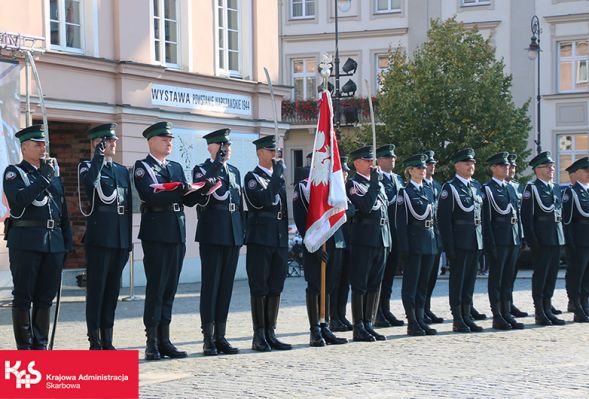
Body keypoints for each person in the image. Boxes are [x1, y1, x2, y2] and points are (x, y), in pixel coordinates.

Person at [133, 121, 200, 360]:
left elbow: (187, 200)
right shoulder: (143, 167)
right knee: (157, 287)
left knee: (170, 288)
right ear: (151, 141)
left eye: (170, 139)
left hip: (176, 232)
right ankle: (151, 342)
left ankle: (165, 339)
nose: (169, 142)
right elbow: (150, 197)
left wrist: (202, 190)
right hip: (157, 233)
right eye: (164, 139)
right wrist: (179, 190)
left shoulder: (175, 166)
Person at [4, 124, 72, 350]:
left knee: (45, 297)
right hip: (25, 240)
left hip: (53, 242)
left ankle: (40, 346)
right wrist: (43, 179)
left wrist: (67, 241)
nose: (42, 148)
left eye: (43, 144)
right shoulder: (14, 172)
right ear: (24, 148)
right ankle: (24, 349)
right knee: (24, 295)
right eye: (37, 144)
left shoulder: (51, 172)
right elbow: (18, 200)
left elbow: (62, 209)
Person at [79, 123, 132, 350]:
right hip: (100, 237)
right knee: (97, 289)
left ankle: (108, 338)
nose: (114, 143)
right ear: (96, 143)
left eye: (114, 139)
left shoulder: (121, 170)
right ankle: (95, 340)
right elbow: (90, 183)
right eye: (108, 140)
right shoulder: (87, 166)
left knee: (112, 291)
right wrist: (98, 158)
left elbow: (128, 207)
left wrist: (128, 239)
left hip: (120, 238)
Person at [192, 128, 243, 355]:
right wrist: (216, 164)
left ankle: (221, 335)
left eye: (229, 146)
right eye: (223, 146)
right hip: (212, 232)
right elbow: (200, 192)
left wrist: (242, 233)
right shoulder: (202, 169)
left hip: (232, 233)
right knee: (211, 285)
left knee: (226, 287)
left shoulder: (234, 171)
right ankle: (208, 337)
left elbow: (239, 205)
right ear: (212, 147)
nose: (227, 150)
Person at [243, 135, 292, 352]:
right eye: (270, 151)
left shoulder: (277, 179)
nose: (274, 155)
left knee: (275, 285)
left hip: (279, 237)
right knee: (260, 286)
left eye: (276, 151)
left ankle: (271, 331)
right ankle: (259, 334)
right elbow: (260, 201)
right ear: (260, 152)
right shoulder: (252, 177)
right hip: (260, 238)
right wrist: (277, 177)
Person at [292, 169, 347, 347]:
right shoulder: (304, 186)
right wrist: (313, 245)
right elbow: (301, 219)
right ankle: (315, 330)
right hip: (315, 241)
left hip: (334, 240)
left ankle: (326, 326)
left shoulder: (335, 185)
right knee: (315, 285)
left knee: (329, 286)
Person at [346, 146, 391, 342]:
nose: (372, 164)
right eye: (367, 160)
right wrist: (374, 183)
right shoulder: (353, 183)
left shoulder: (377, 183)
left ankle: (369, 323)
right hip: (363, 238)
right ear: (357, 163)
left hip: (381, 237)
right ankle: (359, 326)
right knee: (360, 284)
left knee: (375, 284)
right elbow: (364, 206)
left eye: (372, 160)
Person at [438, 148, 484, 333]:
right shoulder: (450, 188)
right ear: (457, 165)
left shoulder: (476, 186)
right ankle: (458, 318)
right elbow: (444, 221)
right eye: (466, 163)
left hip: (475, 240)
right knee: (458, 281)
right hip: (460, 242)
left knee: (470, 281)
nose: (470, 166)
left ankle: (467, 314)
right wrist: (449, 247)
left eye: (472, 163)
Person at [521, 151, 565, 326]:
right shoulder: (532, 189)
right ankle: (539, 311)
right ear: (537, 170)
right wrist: (533, 242)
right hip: (542, 239)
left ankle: (548, 307)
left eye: (552, 166)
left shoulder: (554, 188)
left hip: (555, 237)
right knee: (541, 275)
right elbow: (527, 218)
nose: (551, 169)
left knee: (552, 275)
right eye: (547, 166)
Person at [395, 154, 438, 336]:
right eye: (419, 168)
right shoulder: (404, 193)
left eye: (423, 168)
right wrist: (404, 247)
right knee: (411, 284)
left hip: (428, 241)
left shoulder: (428, 190)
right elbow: (401, 223)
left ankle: (421, 319)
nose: (423, 170)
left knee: (424, 284)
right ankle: (412, 321)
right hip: (413, 242)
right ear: (410, 171)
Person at [481, 152, 524, 330]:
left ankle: (507, 312)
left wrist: (520, 237)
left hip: (512, 238)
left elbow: (517, 215)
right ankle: (497, 315)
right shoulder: (488, 189)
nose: (507, 168)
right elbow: (486, 220)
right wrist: (490, 244)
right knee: (497, 279)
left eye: (507, 165)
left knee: (508, 279)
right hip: (498, 240)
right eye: (502, 165)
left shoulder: (511, 188)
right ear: (493, 168)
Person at [374, 144, 405, 328]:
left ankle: (385, 309)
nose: (392, 159)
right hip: (383, 231)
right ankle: (376, 311)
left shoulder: (398, 179)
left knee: (391, 273)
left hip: (396, 232)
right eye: (387, 157)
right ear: (379, 160)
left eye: (393, 157)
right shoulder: (376, 178)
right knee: (380, 274)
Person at [562, 156, 589, 322]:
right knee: (576, 275)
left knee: (587, 276)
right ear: (577, 173)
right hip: (579, 242)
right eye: (586, 170)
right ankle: (576, 306)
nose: (588, 173)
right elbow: (567, 221)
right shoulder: (571, 192)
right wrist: (570, 244)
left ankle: (585, 304)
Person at [329, 156, 354, 332]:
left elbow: (353, 210)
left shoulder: (347, 191)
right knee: (334, 282)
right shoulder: (333, 192)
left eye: (346, 172)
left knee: (345, 282)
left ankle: (341, 315)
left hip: (348, 241)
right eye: (342, 171)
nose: (345, 174)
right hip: (336, 240)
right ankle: (333, 317)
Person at [506, 154, 529, 318]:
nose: (512, 170)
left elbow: (521, 213)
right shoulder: (495, 188)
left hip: (516, 235)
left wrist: (522, 236)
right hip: (503, 237)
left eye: (514, 167)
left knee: (511, 274)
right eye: (510, 167)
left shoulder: (516, 187)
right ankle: (502, 306)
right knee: (502, 275)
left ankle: (509, 303)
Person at [423, 150, 444, 324]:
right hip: (422, 236)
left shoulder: (437, 186)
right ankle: (419, 310)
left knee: (432, 277)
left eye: (433, 163)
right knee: (422, 277)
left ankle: (427, 308)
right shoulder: (419, 186)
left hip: (435, 236)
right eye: (429, 164)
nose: (432, 166)